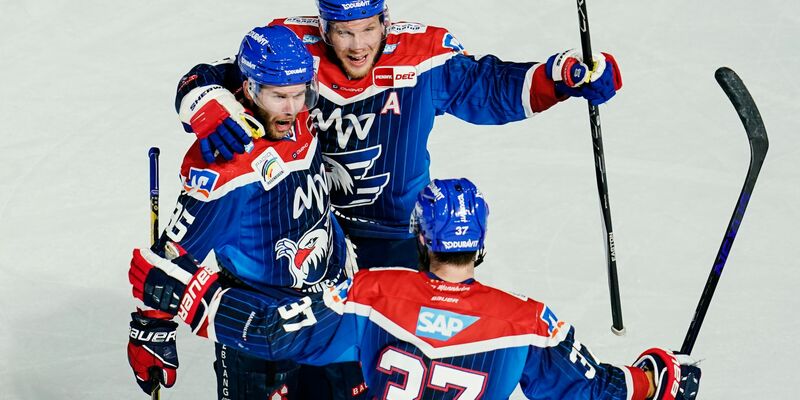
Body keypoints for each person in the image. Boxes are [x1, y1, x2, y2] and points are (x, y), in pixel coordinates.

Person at [129, 178, 701, 400]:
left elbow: (279, 337)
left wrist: (185, 297)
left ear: (419, 239)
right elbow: (596, 391)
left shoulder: (372, 295)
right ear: (480, 244)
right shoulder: (527, 322)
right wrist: (657, 378)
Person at [174, 0, 623, 270]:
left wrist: (561, 78)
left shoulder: (422, 57)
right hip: (305, 231)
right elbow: (213, 76)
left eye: (368, 27)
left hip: (397, 234)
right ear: (324, 25)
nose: (357, 45)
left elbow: (488, 89)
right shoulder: (292, 49)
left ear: (385, 18)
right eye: (343, 31)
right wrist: (208, 106)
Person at [126, 25, 365, 400]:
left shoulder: (301, 114)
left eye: (299, 94)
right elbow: (171, 259)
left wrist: (197, 91)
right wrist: (151, 331)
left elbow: (214, 72)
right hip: (260, 334)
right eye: (279, 96)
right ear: (250, 89)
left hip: (332, 317)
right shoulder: (225, 165)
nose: (291, 108)